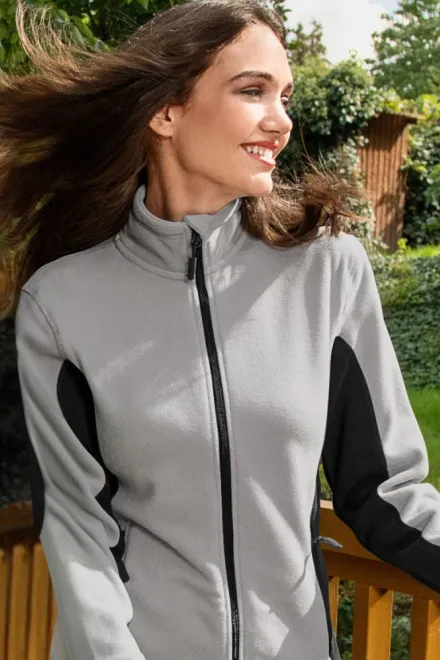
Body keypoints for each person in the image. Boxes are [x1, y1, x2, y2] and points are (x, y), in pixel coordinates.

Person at [2, 1, 440, 659]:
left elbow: (387, 493)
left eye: (285, 96)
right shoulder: (61, 305)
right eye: (252, 90)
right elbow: (77, 534)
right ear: (166, 111)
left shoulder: (328, 271)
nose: (281, 120)